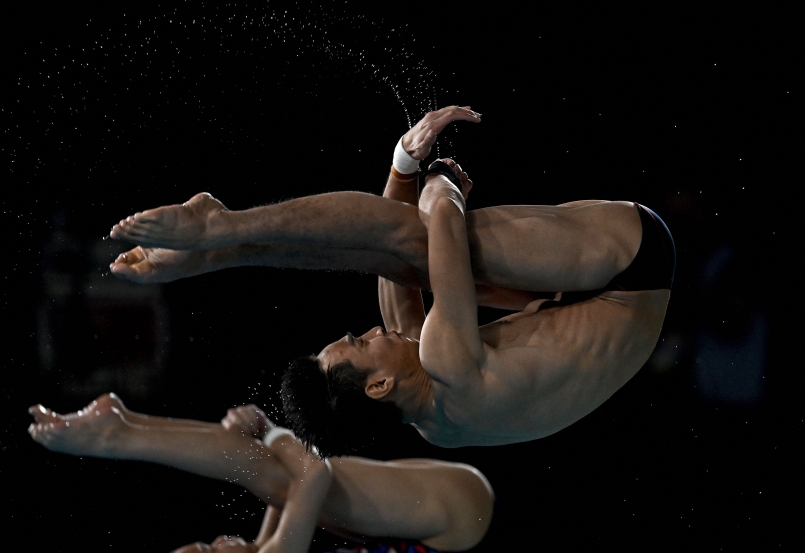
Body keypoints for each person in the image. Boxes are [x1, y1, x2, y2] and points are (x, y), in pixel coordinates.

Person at [109, 106, 675, 454]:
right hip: (630, 260)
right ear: (377, 386)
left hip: (596, 297)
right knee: (422, 239)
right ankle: (222, 228)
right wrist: (435, 181)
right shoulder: (447, 364)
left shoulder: (432, 418)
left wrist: (401, 169)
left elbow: (394, 274)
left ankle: (219, 253)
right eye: (359, 343)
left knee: (406, 257)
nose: (367, 333)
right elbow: (435, 224)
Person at [27, 394, 494, 553]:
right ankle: (121, 434)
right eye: (211, 550)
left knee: (270, 475)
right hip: (457, 525)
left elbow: (287, 495)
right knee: (279, 471)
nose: (221, 539)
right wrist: (268, 427)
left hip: (451, 542)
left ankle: (126, 426)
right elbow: (313, 475)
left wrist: (252, 440)